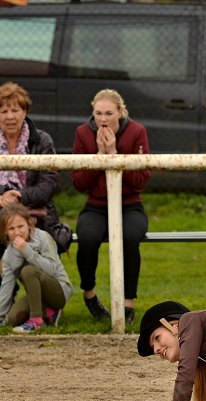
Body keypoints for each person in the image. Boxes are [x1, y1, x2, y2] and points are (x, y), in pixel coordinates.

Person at [0, 82, 66, 306]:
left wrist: (19, 196)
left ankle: (41, 302)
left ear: (25, 112)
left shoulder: (42, 140)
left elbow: (49, 182)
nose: (10, 116)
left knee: (35, 242)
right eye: (4, 111)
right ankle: (4, 293)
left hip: (34, 213)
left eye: (15, 110)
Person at [71, 89, 149, 326]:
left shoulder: (137, 131)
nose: (103, 119)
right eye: (98, 114)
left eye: (108, 113)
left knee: (130, 236)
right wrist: (99, 156)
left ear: (120, 112)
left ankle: (128, 302)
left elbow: (140, 181)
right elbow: (78, 183)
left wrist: (115, 154)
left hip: (130, 204)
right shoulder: (83, 133)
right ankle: (89, 293)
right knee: (87, 236)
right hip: (96, 205)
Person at [0, 204, 73, 332]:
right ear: (5, 232)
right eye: (11, 229)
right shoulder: (9, 254)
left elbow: (51, 270)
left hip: (59, 291)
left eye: (21, 226)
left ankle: (36, 321)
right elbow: (6, 288)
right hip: (37, 296)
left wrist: (26, 250)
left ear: (29, 223)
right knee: (13, 319)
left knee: (28, 270)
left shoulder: (43, 238)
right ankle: (50, 313)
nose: (17, 232)